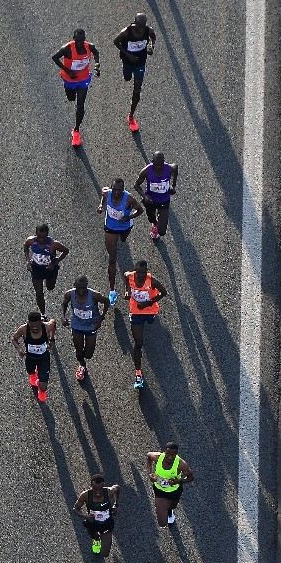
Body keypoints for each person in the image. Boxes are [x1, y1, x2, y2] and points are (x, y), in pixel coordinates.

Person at [97, 179, 144, 304]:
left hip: (125, 227)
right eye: (115, 189)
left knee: (123, 239)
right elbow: (103, 195)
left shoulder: (129, 199)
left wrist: (129, 217)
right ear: (112, 188)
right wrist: (101, 205)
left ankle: (122, 237)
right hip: (110, 227)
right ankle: (112, 290)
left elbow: (140, 210)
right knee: (112, 259)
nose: (117, 192)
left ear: (123, 190)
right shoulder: (107, 193)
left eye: (120, 190)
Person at [51, 29, 101, 147]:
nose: (79, 43)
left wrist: (97, 66)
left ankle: (76, 130)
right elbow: (54, 58)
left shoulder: (90, 46)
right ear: (74, 39)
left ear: (84, 39)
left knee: (80, 105)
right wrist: (68, 70)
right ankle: (71, 94)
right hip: (69, 80)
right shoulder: (67, 48)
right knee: (71, 98)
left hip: (83, 79)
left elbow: (96, 53)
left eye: (82, 40)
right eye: (77, 40)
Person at [123, 260, 167, 389]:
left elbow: (164, 292)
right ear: (135, 270)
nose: (141, 275)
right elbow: (125, 275)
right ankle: (138, 373)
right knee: (138, 343)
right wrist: (128, 291)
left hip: (150, 310)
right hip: (136, 312)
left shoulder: (151, 280)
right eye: (139, 272)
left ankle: (151, 318)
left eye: (144, 272)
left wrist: (148, 303)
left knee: (150, 320)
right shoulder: (130, 276)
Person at [112, 13, 157, 132]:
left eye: (143, 25)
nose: (141, 28)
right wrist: (128, 55)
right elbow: (115, 42)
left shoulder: (149, 30)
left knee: (137, 89)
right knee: (127, 78)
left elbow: (153, 37)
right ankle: (126, 71)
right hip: (128, 62)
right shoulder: (126, 32)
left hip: (140, 63)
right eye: (139, 25)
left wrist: (151, 46)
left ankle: (131, 116)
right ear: (134, 22)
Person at [60, 275, 109, 381]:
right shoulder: (69, 294)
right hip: (77, 324)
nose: (81, 290)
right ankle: (82, 366)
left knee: (88, 354)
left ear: (87, 286)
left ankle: (83, 359)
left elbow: (107, 302)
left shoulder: (95, 295)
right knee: (79, 350)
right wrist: (63, 317)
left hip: (91, 325)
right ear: (75, 286)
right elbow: (64, 304)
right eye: (78, 288)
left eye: (83, 288)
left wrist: (101, 318)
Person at [11, 311, 57, 403]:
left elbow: (54, 322)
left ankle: (41, 391)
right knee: (30, 371)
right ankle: (33, 375)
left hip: (44, 358)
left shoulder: (47, 326)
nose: (35, 328)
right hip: (30, 357)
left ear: (41, 322)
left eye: (37, 326)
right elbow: (14, 338)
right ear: (28, 323)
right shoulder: (23, 329)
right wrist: (19, 349)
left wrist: (52, 339)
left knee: (43, 386)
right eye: (32, 327)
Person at [23, 224, 69, 314]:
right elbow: (25, 247)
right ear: (36, 234)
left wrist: (56, 262)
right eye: (39, 237)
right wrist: (28, 261)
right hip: (36, 268)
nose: (41, 240)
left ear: (47, 235)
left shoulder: (54, 244)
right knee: (39, 293)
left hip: (50, 269)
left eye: (44, 237)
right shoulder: (31, 241)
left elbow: (66, 251)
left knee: (50, 287)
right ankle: (43, 314)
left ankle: (49, 282)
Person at [147, 442, 195, 527]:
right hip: (160, 490)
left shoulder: (181, 464)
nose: (170, 457)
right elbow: (148, 456)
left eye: (173, 454)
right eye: (168, 453)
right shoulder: (157, 457)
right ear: (164, 451)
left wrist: (179, 481)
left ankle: (169, 511)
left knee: (172, 507)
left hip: (174, 491)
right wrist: (150, 473)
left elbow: (190, 477)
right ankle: (161, 508)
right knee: (162, 523)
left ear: (176, 454)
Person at [134, 151, 178, 241]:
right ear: (152, 161)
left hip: (164, 200)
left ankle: (159, 220)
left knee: (162, 232)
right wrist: (144, 196)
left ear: (164, 161)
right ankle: (154, 223)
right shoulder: (146, 171)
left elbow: (175, 167)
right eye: (156, 164)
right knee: (151, 218)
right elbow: (136, 185)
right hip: (151, 200)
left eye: (161, 164)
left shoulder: (169, 168)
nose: (159, 166)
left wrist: (173, 185)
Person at [73, 474, 119, 556]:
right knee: (95, 537)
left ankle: (100, 544)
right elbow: (76, 509)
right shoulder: (85, 495)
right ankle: (96, 541)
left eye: (100, 489)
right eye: (95, 489)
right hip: (92, 523)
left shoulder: (109, 491)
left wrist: (116, 504)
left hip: (106, 523)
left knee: (105, 554)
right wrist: (85, 516)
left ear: (104, 486)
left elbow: (117, 488)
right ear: (91, 486)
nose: (98, 492)